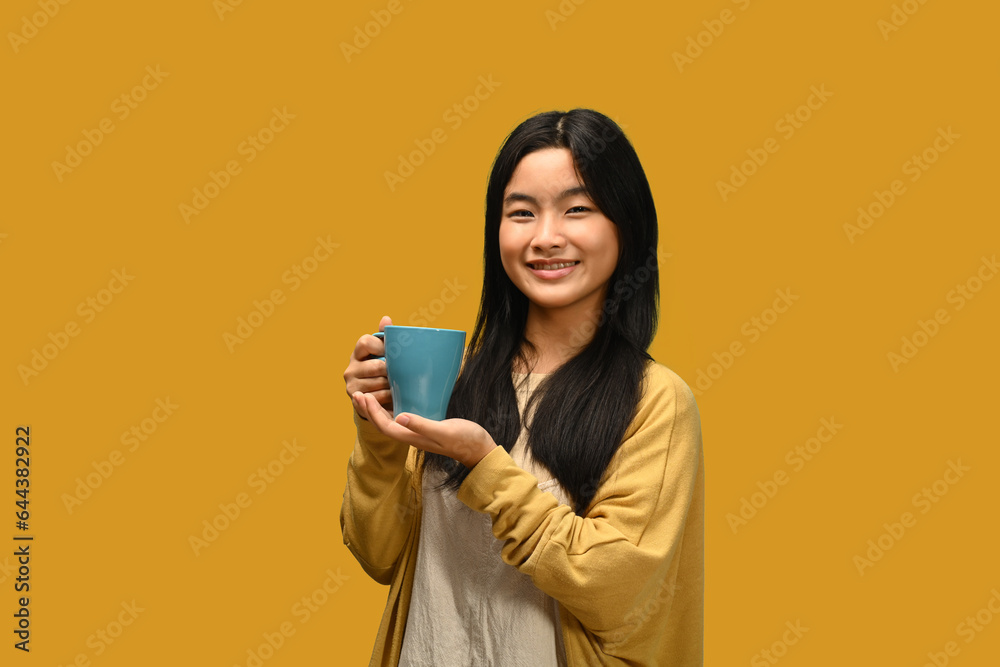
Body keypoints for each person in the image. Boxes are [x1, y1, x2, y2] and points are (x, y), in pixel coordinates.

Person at [341, 108, 704, 666]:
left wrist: (487, 467)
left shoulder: (655, 401)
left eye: (577, 209)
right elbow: (380, 554)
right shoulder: (454, 382)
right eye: (521, 213)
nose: (546, 237)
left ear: (625, 226)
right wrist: (380, 433)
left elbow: (615, 590)